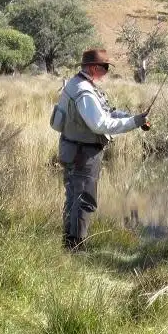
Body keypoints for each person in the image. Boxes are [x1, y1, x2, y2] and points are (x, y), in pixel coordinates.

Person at [54, 49, 148, 251]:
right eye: (105, 67)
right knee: (85, 200)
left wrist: (132, 118)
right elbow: (99, 124)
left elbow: (106, 113)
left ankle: (68, 245)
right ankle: (77, 247)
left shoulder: (76, 84)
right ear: (94, 67)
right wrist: (133, 122)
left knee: (73, 198)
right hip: (83, 154)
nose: (106, 71)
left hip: (73, 149)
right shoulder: (85, 91)